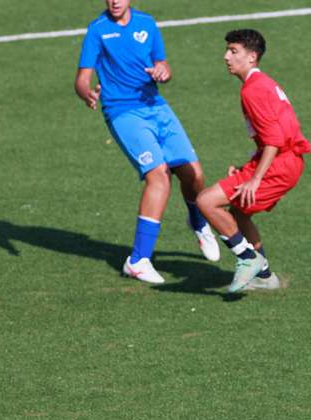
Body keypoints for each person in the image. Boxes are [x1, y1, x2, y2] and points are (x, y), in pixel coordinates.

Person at [74, 0, 220, 285]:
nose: (115, 1)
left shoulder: (147, 23)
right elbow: (82, 78)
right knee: (159, 177)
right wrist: (86, 94)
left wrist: (163, 72)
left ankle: (197, 221)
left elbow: (162, 64)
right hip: (122, 112)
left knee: (194, 174)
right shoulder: (97, 30)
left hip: (156, 106)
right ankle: (138, 261)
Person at [196, 29, 311, 292]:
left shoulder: (253, 90)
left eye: (233, 51)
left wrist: (255, 178)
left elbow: (274, 140)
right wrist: (248, 166)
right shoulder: (263, 83)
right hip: (284, 160)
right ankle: (265, 277)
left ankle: (248, 258)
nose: (226, 57)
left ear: (252, 57)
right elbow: (276, 134)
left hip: (280, 164)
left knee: (206, 201)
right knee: (239, 212)